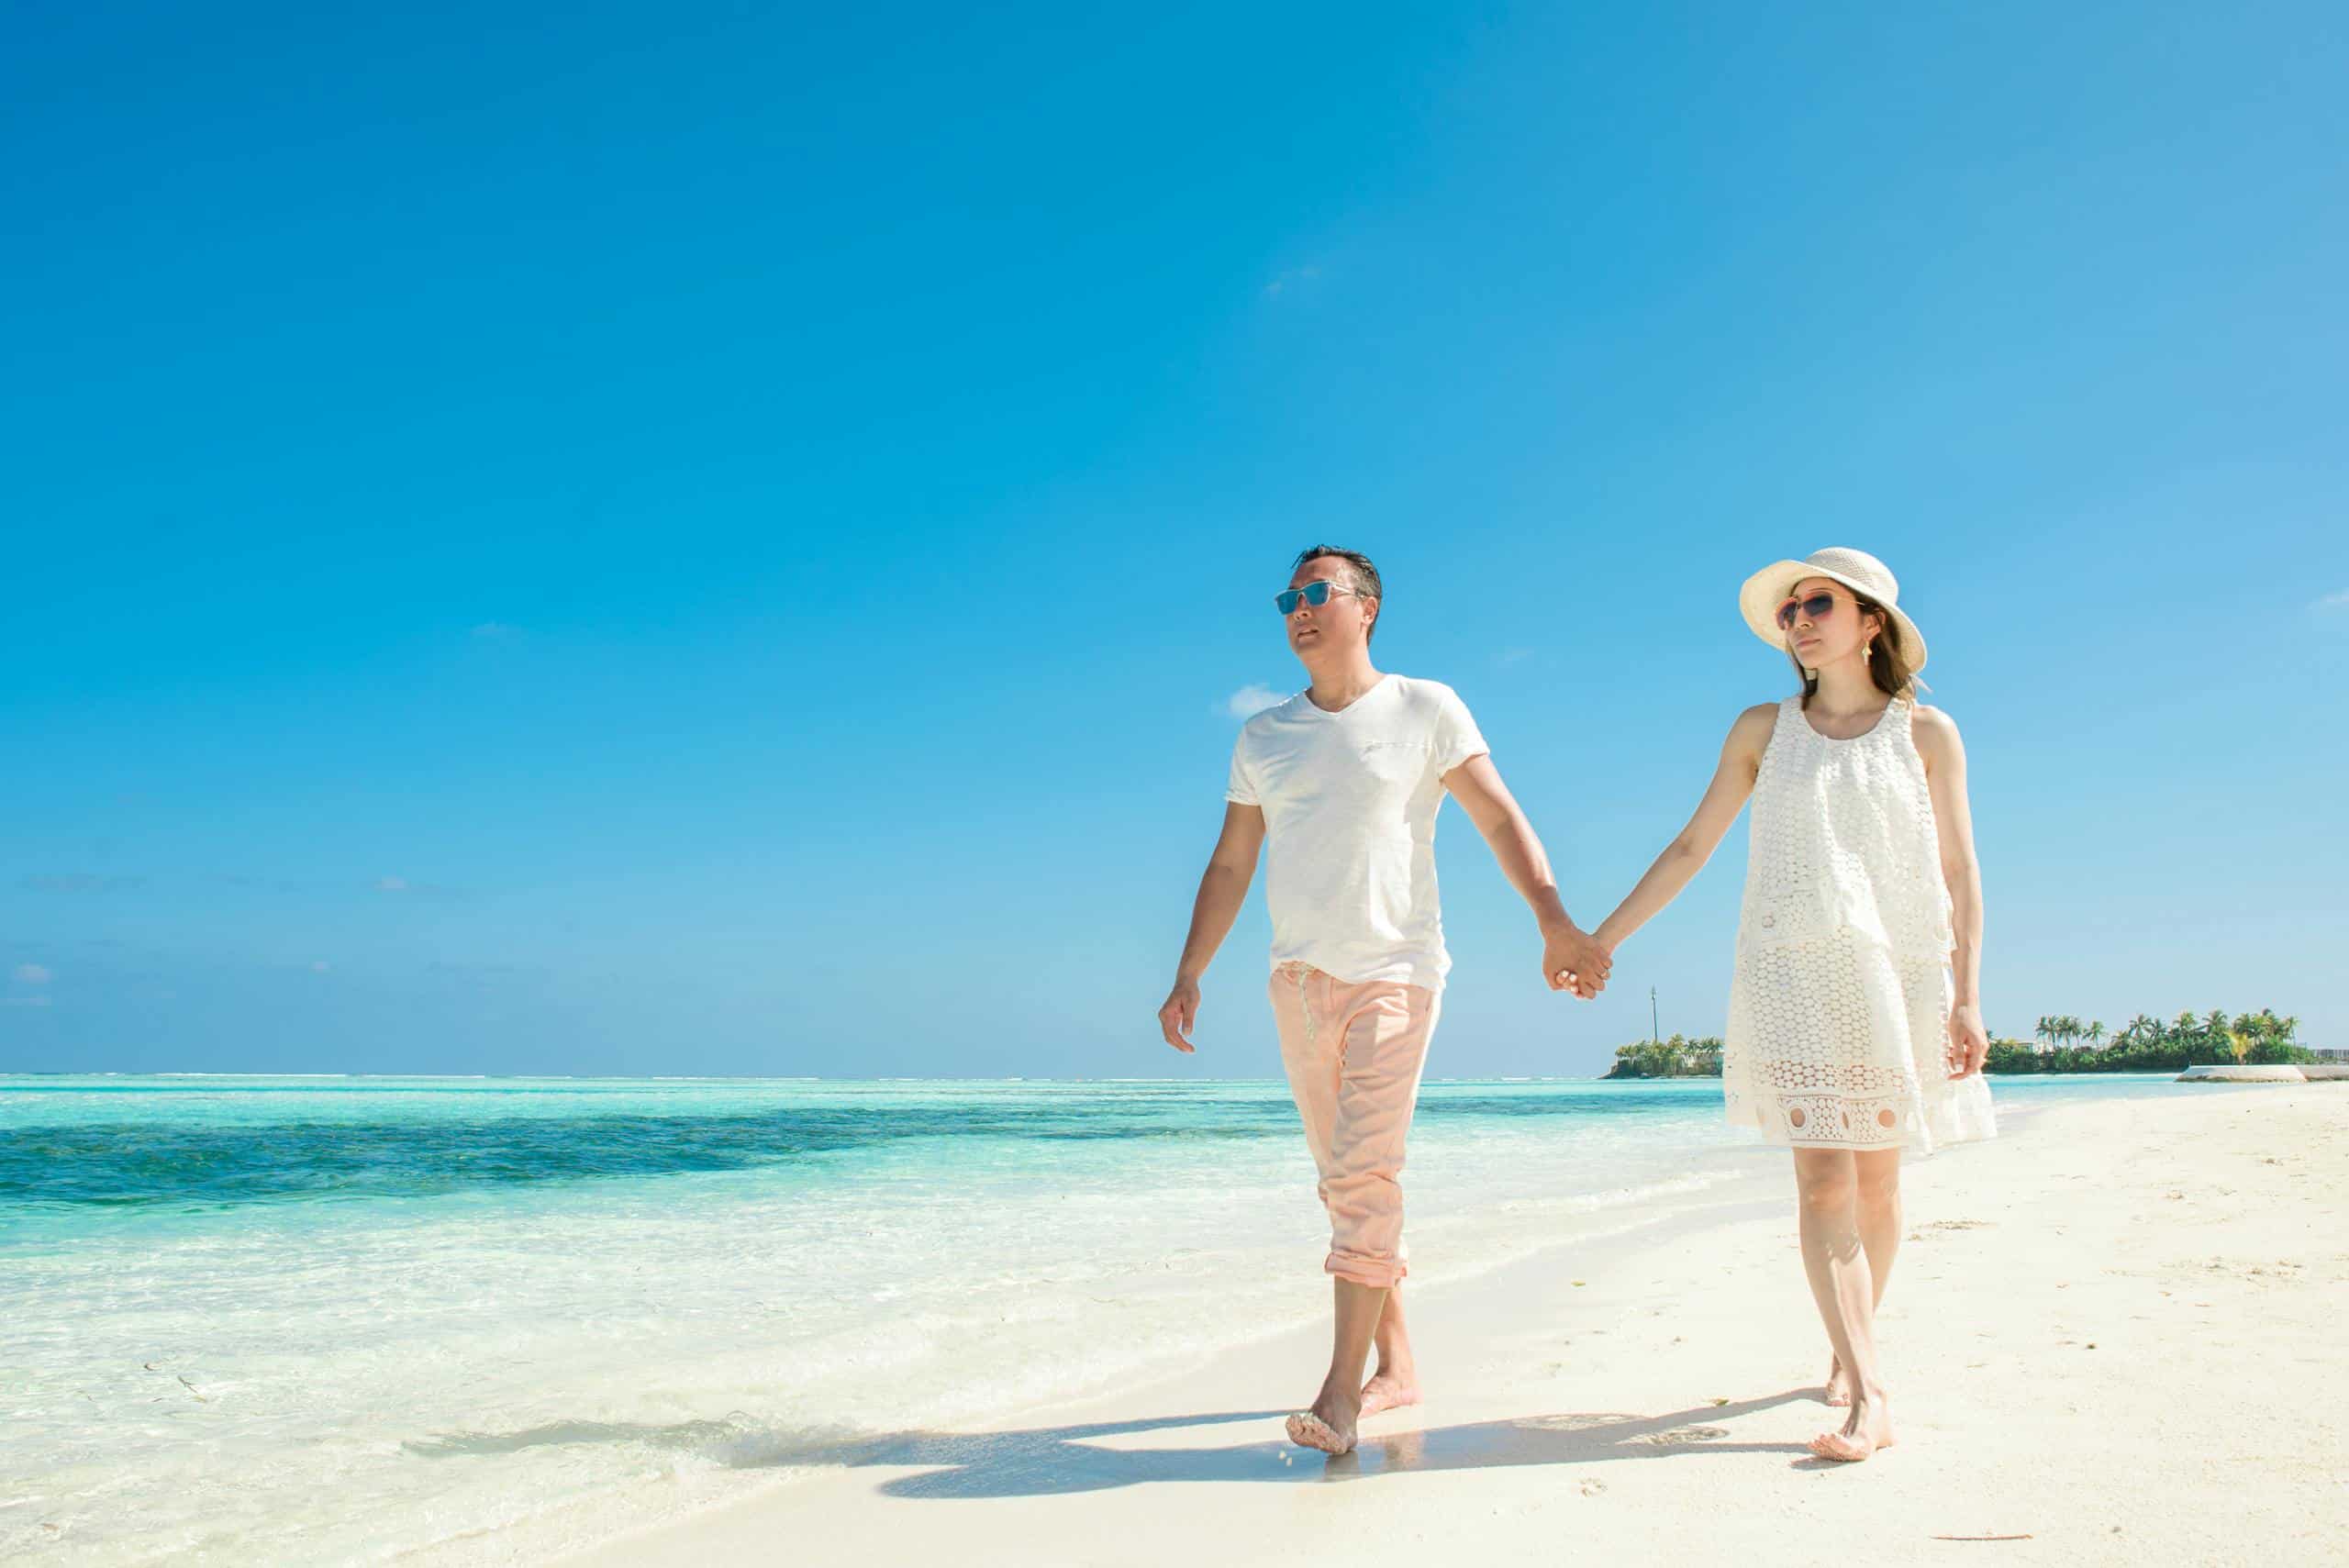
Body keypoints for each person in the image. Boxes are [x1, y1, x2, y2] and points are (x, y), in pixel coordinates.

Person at [1156, 545, 1610, 1457]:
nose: (1299, 608)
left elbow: (1497, 816)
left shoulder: (1424, 707)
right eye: (1288, 596)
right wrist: (1189, 969)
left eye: (1318, 592)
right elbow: (1231, 860)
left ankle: (1340, 1395)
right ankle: (1398, 1366)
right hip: (1297, 980)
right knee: (1342, 1180)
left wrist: (1553, 919)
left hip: (1397, 970)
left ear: (1367, 607)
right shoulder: (1264, 735)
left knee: (1365, 1173)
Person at [1590, 547, 1996, 1462]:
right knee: (1821, 1180)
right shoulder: (1760, 729)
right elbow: (1693, 844)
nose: (1799, 619)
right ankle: (1870, 1389)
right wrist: (1603, 937)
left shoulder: (1927, 734)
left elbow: (1961, 871)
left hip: (1899, 974)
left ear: (1870, 623)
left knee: (1882, 1180)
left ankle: (1850, 1354)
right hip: (1790, 974)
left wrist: (1968, 996)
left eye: (1818, 602)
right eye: (1788, 611)